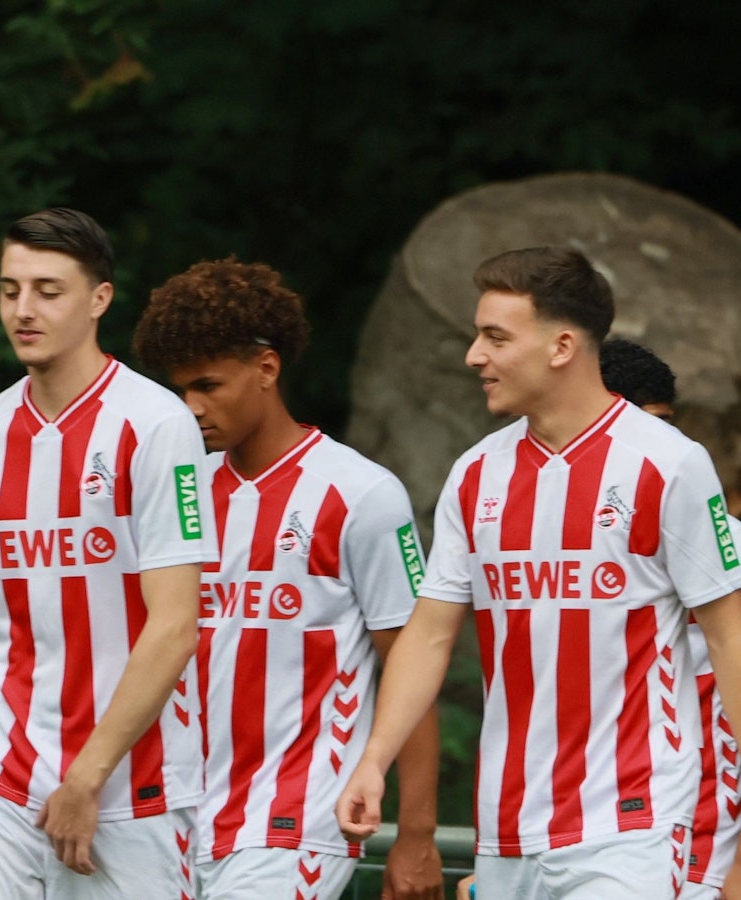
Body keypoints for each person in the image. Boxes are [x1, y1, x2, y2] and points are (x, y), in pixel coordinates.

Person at [336, 246, 741, 900]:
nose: (474, 356)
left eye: (496, 337)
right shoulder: (476, 473)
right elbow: (431, 634)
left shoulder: (668, 463)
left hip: (631, 823)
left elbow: (730, 641)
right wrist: (374, 759)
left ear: (561, 347)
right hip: (507, 827)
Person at [132, 258, 443, 900]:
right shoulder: (175, 494)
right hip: (170, 825)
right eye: (181, 390)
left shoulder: (362, 495)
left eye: (209, 385)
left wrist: (416, 833)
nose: (192, 408)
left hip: (294, 823)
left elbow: (413, 664)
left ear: (267, 368)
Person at [0, 208, 217, 899]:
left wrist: (85, 777)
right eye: (10, 290)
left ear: (99, 299)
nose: (23, 310)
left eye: (48, 291)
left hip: (130, 781)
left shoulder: (157, 425)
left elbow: (175, 625)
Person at [454, 338, 741, 900]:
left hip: (695, 830)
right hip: (560, 829)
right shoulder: (527, 522)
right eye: (644, 422)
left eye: (667, 423)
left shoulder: (731, 543)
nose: (660, 442)